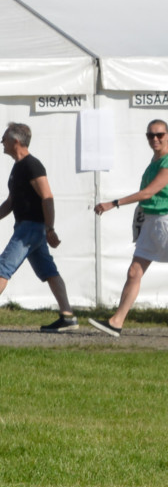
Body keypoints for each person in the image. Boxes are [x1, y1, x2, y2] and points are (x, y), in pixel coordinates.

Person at [0, 122, 78, 331]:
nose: (1, 141)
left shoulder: (32, 165)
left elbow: (47, 196)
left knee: (4, 265)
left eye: (4, 138)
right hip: (29, 227)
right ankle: (68, 317)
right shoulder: (18, 167)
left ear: (15, 141)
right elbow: (11, 202)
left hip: (30, 228)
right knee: (49, 272)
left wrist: (50, 228)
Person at [90, 119, 168, 336]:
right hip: (151, 222)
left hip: (164, 220)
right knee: (134, 272)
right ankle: (116, 322)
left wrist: (113, 203)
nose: (155, 139)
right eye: (150, 135)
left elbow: (148, 192)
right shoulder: (155, 160)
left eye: (160, 135)